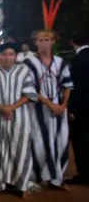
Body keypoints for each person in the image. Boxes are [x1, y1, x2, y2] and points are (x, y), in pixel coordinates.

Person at [23, 29, 73, 189]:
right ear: (35, 42)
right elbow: (30, 89)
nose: (44, 43)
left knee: (60, 141)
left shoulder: (60, 62)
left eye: (47, 40)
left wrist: (63, 106)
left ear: (53, 41)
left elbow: (68, 85)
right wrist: (50, 105)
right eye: (40, 40)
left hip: (58, 109)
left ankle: (56, 177)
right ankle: (39, 176)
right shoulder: (29, 63)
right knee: (38, 142)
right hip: (38, 109)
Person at [0, 43, 38, 196]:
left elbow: (29, 94)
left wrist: (11, 107)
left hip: (19, 117)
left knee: (20, 149)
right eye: (4, 54)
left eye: (11, 54)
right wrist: (1, 107)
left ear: (15, 56)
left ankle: (22, 185)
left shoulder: (23, 71)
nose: (7, 57)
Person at [68, 32, 89, 184]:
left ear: (72, 43)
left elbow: (77, 86)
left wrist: (72, 109)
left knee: (81, 140)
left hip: (82, 108)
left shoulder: (78, 59)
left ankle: (84, 174)